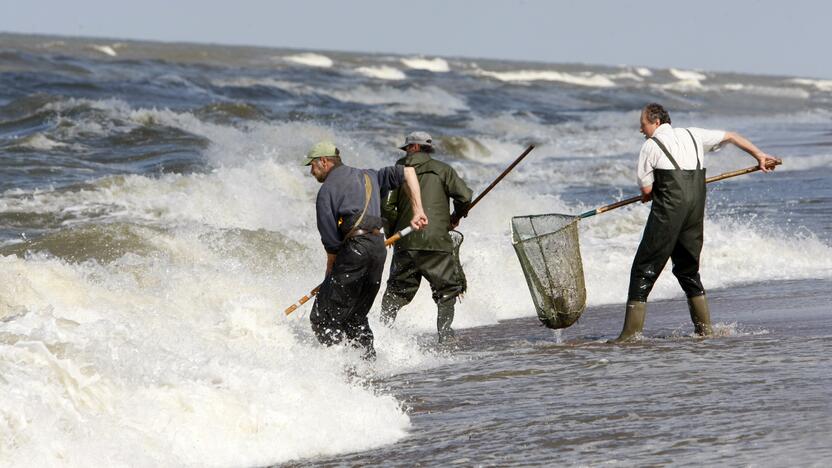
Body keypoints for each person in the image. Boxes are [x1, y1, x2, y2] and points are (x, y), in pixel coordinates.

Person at [612, 103, 779, 342]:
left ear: (656, 122)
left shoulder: (650, 146)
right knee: (688, 269)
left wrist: (646, 195)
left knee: (643, 269)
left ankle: (629, 335)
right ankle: (704, 330)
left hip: (669, 213)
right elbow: (731, 136)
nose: (641, 130)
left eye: (643, 125)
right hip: (694, 210)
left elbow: (647, 190)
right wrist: (760, 156)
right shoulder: (694, 135)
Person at [305, 141, 428, 359]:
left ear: (324, 162)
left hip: (355, 251)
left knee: (322, 317)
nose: (311, 172)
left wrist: (330, 272)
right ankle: (368, 365)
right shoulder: (370, 175)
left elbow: (331, 240)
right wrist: (418, 211)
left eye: (312, 166)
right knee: (356, 316)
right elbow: (408, 172)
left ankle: (338, 368)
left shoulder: (327, 191)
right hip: (378, 249)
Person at [379, 132, 473, 342]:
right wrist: (455, 216)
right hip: (437, 242)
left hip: (406, 242)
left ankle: (383, 335)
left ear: (411, 147)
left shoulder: (397, 172)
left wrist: (394, 232)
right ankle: (446, 338)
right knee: (446, 292)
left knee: (395, 293)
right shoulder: (443, 170)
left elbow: (386, 207)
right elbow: (465, 197)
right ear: (426, 148)